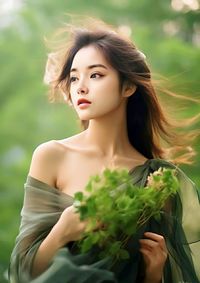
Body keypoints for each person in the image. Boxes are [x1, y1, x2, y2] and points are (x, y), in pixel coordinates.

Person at [9, 17, 200, 283]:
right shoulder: (52, 156)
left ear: (129, 86)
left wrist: (154, 274)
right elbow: (23, 273)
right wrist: (63, 230)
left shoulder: (156, 180)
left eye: (96, 75)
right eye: (74, 78)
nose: (81, 87)